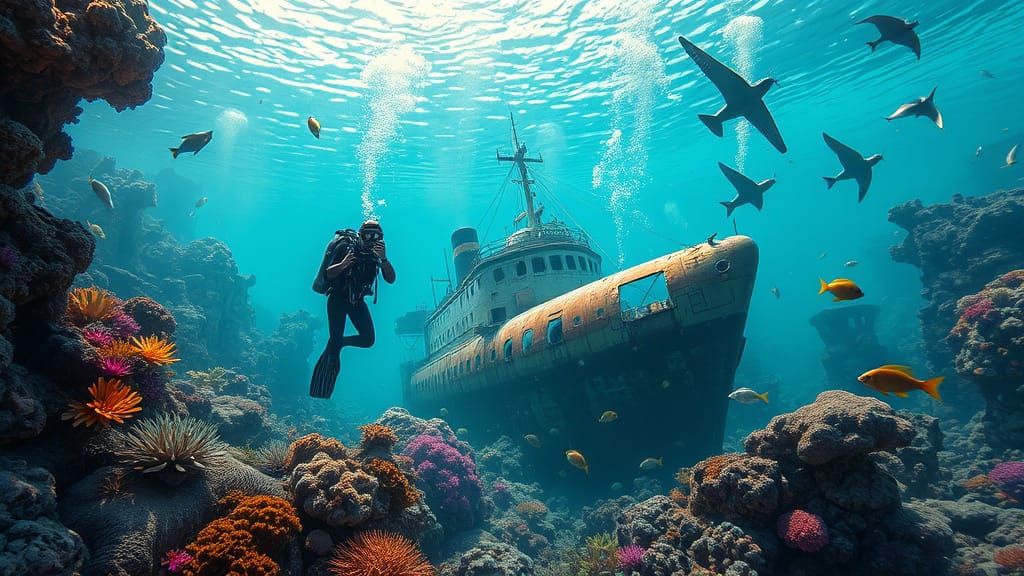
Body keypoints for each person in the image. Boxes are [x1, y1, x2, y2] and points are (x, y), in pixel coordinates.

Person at [309, 220, 396, 398]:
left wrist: (384, 258)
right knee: (333, 353)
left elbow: (391, 278)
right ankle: (322, 393)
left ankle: (339, 342)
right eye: (368, 236)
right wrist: (343, 265)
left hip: (357, 301)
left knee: (368, 340)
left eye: (376, 236)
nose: (372, 240)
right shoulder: (346, 248)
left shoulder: (376, 254)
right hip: (337, 299)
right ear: (360, 235)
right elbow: (327, 273)